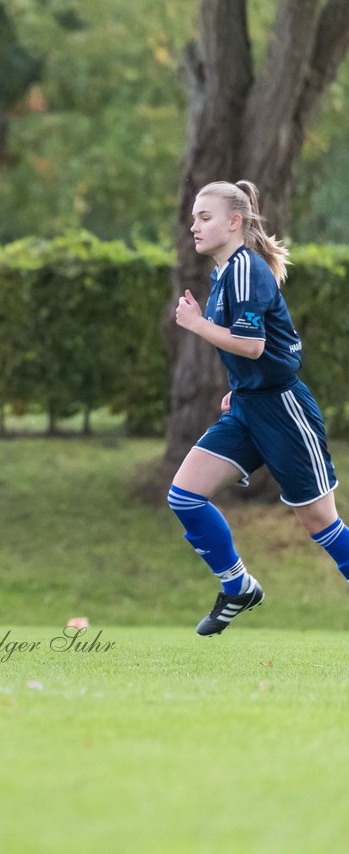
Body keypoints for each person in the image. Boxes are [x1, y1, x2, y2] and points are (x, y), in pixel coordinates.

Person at [170, 179, 349, 635]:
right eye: (193, 217)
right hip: (249, 406)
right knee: (185, 495)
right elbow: (249, 355)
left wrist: (194, 324)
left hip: (284, 411)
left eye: (204, 217)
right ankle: (238, 586)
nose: (194, 226)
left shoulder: (246, 269)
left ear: (235, 222)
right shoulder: (225, 272)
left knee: (321, 523)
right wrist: (240, 386)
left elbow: (251, 345)